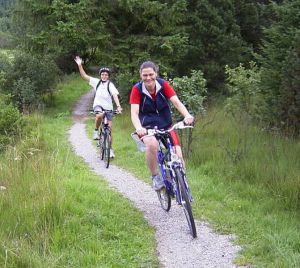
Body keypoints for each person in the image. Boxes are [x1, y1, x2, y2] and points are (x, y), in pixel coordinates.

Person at [130, 61, 194, 191]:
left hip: (166, 124)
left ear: (156, 73)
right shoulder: (137, 89)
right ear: (140, 75)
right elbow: (134, 113)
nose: (148, 78)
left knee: (179, 155)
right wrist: (138, 128)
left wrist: (187, 115)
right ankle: (155, 177)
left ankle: (181, 183)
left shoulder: (163, 84)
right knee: (152, 145)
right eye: (145, 75)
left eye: (151, 74)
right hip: (147, 127)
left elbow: (176, 102)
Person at [74, 56, 122, 158]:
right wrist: (79, 65)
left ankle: (110, 149)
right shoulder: (97, 82)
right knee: (100, 115)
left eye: (106, 75)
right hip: (98, 105)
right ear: (100, 75)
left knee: (109, 130)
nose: (104, 76)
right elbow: (84, 76)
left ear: (108, 76)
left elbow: (114, 95)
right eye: (102, 74)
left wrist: (118, 106)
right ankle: (96, 131)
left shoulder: (110, 85)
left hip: (109, 108)